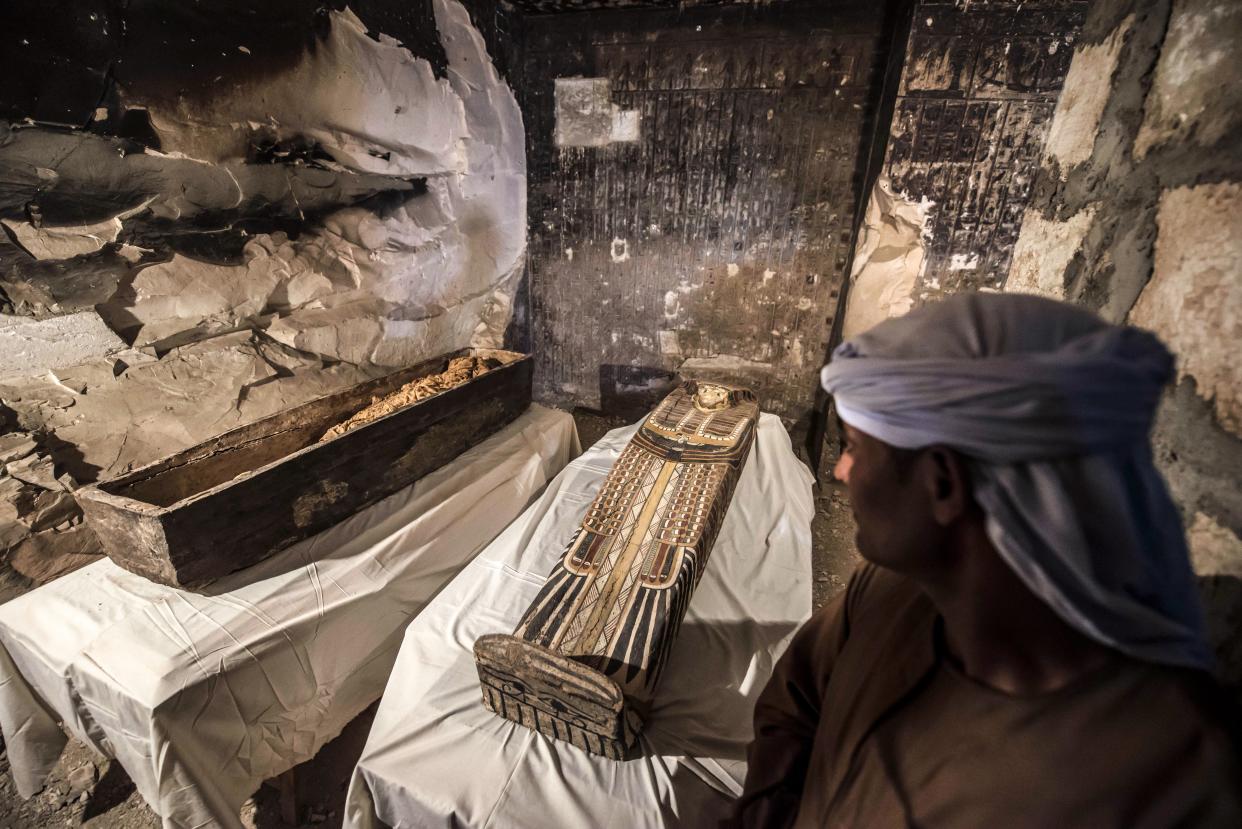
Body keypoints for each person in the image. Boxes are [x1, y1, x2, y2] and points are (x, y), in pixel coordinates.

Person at [729, 293, 1242, 828]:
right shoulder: (884, 592)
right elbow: (794, 703)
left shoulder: (1175, 785)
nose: (841, 472)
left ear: (942, 482)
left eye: (855, 446)